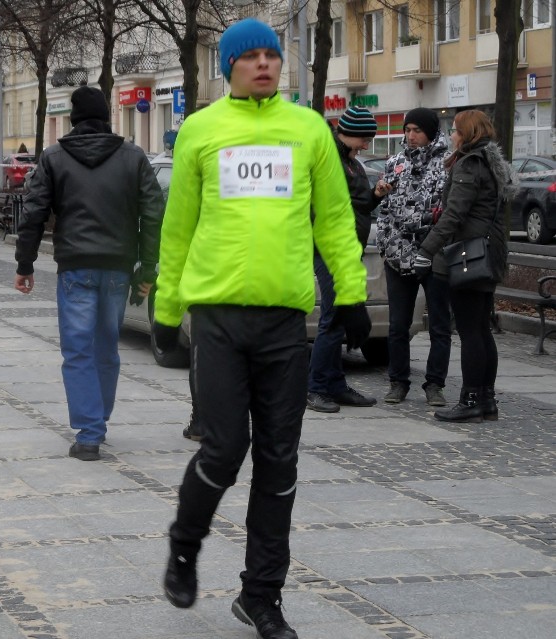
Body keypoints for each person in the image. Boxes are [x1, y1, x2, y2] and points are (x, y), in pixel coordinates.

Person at [154, 19, 370, 638]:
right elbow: (177, 230)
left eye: (271, 55)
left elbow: (333, 220)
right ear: (228, 67)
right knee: (224, 448)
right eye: (249, 56)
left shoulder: (307, 131)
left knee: (279, 461)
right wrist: (167, 311)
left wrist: (350, 296)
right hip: (218, 320)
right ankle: (186, 542)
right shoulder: (202, 130)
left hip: (283, 322)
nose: (263, 64)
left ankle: (262, 596)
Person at [14, 85, 164, 461]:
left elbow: (33, 212)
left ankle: (89, 432)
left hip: (76, 266)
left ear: (74, 118)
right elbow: (154, 212)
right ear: (107, 117)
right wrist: (147, 267)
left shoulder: (54, 157)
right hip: (117, 267)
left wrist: (25, 264)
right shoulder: (133, 157)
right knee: (106, 346)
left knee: (78, 348)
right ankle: (100, 418)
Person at [414, 109, 510, 422]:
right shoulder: (490, 162)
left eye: (455, 130)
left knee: (471, 331)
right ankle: (486, 400)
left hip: (468, 255)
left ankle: (471, 400)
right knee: (481, 329)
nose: (451, 136)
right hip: (486, 253)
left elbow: (454, 215)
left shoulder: (469, 164)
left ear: (467, 133)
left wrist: (426, 250)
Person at [307, 106, 392, 413]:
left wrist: (376, 195)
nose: (367, 145)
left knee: (339, 318)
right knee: (332, 318)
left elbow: (358, 206)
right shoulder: (329, 160)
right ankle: (316, 387)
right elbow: (326, 208)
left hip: (349, 248)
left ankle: (335, 384)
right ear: (350, 132)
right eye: (365, 138)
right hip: (330, 249)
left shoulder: (352, 163)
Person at [376, 107, 452, 406]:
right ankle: (398, 382)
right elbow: (385, 208)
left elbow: (445, 211)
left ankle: (435, 384)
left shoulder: (447, 163)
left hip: (433, 254)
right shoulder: (395, 161)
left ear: (430, 132)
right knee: (397, 325)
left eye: (416, 130)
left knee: (439, 324)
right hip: (398, 254)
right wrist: (386, 241)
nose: (410, 136)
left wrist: (428, 240)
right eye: (407, 130)